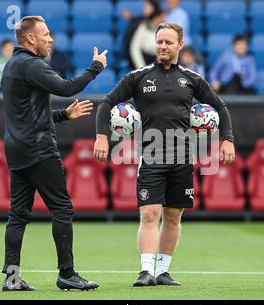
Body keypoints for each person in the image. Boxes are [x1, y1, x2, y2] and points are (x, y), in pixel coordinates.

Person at [93, 23, 235, 287]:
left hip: (183, 158)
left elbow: (220, 107)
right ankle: (146, 271)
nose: (162, 46)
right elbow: (105, 103)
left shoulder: (191, 79)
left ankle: (162, 271)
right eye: (159, 42)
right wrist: (102, 136)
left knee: (173, 216)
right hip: (151, 157)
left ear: (180, 45)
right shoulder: (139, 77)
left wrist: (227, 140)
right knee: (149, 214)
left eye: (168, 42)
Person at [1, 16, 107, 291]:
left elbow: (27, 113)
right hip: (39, 149)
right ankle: (67, 274)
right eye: (45, 34)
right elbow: (67, 87)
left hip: (16, 148)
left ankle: (11, 278)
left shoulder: (12, 65)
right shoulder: (32, 64)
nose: (50, 39)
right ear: (30, 38)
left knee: (18, 215)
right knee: (62, 208)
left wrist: (62, 115)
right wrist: (96, 68)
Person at [122, 0, 161, 69]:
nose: (144, 9)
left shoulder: (162, 25)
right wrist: (142, 69)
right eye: (144, 7)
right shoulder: (140, 24)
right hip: (140, 61)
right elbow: (134, 49)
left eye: (147, 7)